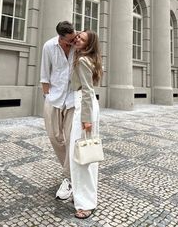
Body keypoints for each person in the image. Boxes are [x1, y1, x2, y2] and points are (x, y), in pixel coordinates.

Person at [40, 21, 77, 200]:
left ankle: (70, 177)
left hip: (73, 99)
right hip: (54, 98)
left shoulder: (78, 46)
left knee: (71, 138)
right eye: (69, 40)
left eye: (74, 37)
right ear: (61, 39)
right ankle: (71, 169)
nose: (73, 42)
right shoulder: (49, 46)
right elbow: (44, 74)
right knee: (55, 136)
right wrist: (46, 96)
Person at [69, 30, 103, 219]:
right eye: (78, 36)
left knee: (81, 156)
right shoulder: (90, 58)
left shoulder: (82, 61)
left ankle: (86, 203)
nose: (77, 39)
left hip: (85, 106)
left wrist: (86, 119)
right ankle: (83, 196)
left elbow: (88, 91)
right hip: (87, 106)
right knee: (84, 155)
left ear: (88, 44)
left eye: (81, 38)